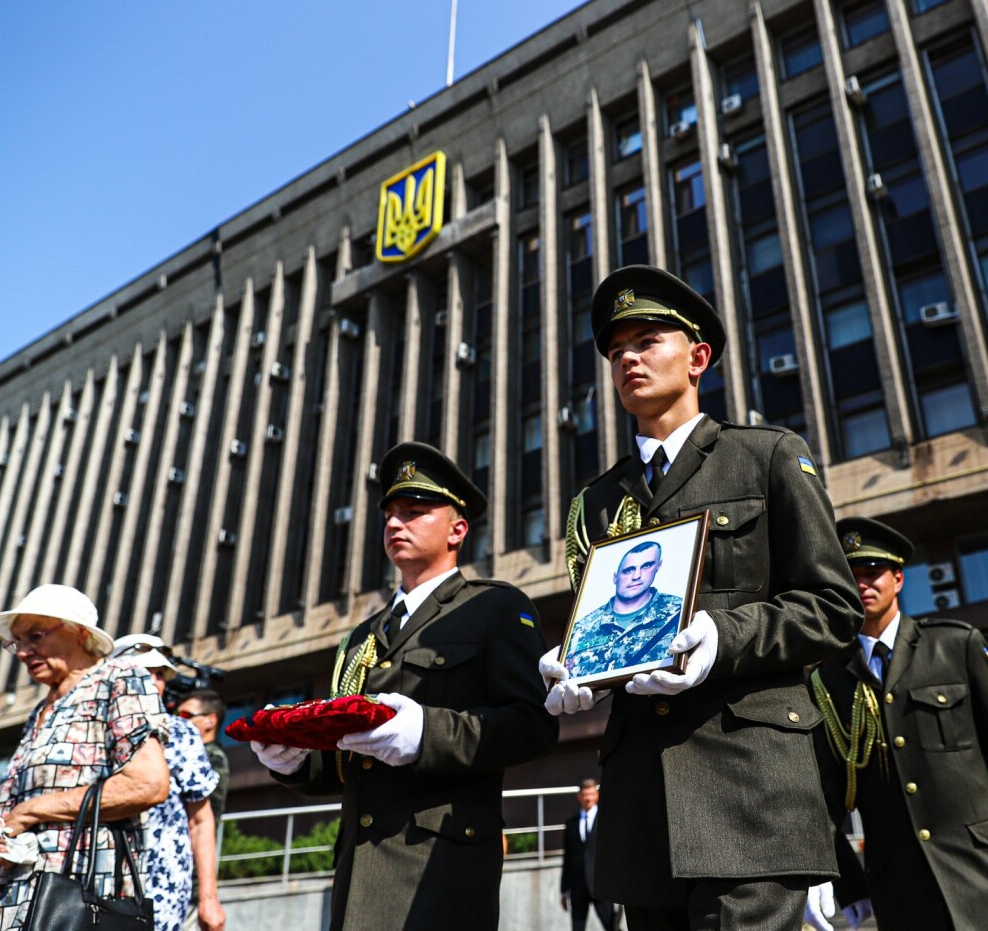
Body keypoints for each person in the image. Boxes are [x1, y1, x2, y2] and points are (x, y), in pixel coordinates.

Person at [539, 265, 862, 929]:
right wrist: (580, 666)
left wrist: (724, 636)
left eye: (647, 339)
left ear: (698, 357)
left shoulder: (765, 456)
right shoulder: (599, 500)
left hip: (748, 791)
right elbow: (612, 622)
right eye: (615, 349)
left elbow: (833, 606)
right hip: (641, 801)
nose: (627, 357)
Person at [252, 442, 558, 931]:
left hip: (439, 871)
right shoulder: (362, 635)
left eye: (415, 513)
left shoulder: (495, 609)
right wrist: (294, 761)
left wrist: (425, 734)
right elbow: (349, 761)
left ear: (458, 529)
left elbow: (533, 725)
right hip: (358, 875)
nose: (395, 525)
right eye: (390, 515)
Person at [805, 518, 988, 931]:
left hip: (982, 871)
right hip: (900, 886)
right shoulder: (828, 678)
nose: (862, 585)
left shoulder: (954, 645)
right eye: (850, 577)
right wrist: (843, 879)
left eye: (872, 573)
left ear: (898, 578)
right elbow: (824, 796)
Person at [0, 584, 170, 930]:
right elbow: (32, 799)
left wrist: (28, 812)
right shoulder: (40, 709)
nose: (23, 652)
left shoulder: (119, 677)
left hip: (76, 902)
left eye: (35, 636)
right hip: (9, 901)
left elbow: (148, 784)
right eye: (16, 643)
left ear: (80, 633)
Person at [113, 634, 224, 931]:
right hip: (94, 878)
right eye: (144, 671)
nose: (154, 680)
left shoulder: (181, 732)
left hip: (162, 886)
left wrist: (208, 898)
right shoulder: (91, 730)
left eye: (160, 674)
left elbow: (201, 820)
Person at [564, 541, 683, 679]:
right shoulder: (582, 628)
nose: (636, 576)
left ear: (658, 566)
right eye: (629, 570)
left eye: (646, 566)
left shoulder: (678, 612)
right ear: (615, 576)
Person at [177, 689, 230, 931]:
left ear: (210, 720)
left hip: (189, 877)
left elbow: (201, 818)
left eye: (187, 715)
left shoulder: (211, 757)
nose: (179, 721)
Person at [560, 779, 617, 931]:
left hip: (601, 884)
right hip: (578, 887)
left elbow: (613, 853)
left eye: (591, 794)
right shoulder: (571, 824)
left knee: (612, 925)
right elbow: (568, 859)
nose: (588, 798)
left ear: (597, 795)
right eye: (585, 794)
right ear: (579, 797)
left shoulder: (606, 820)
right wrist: (563, 890)